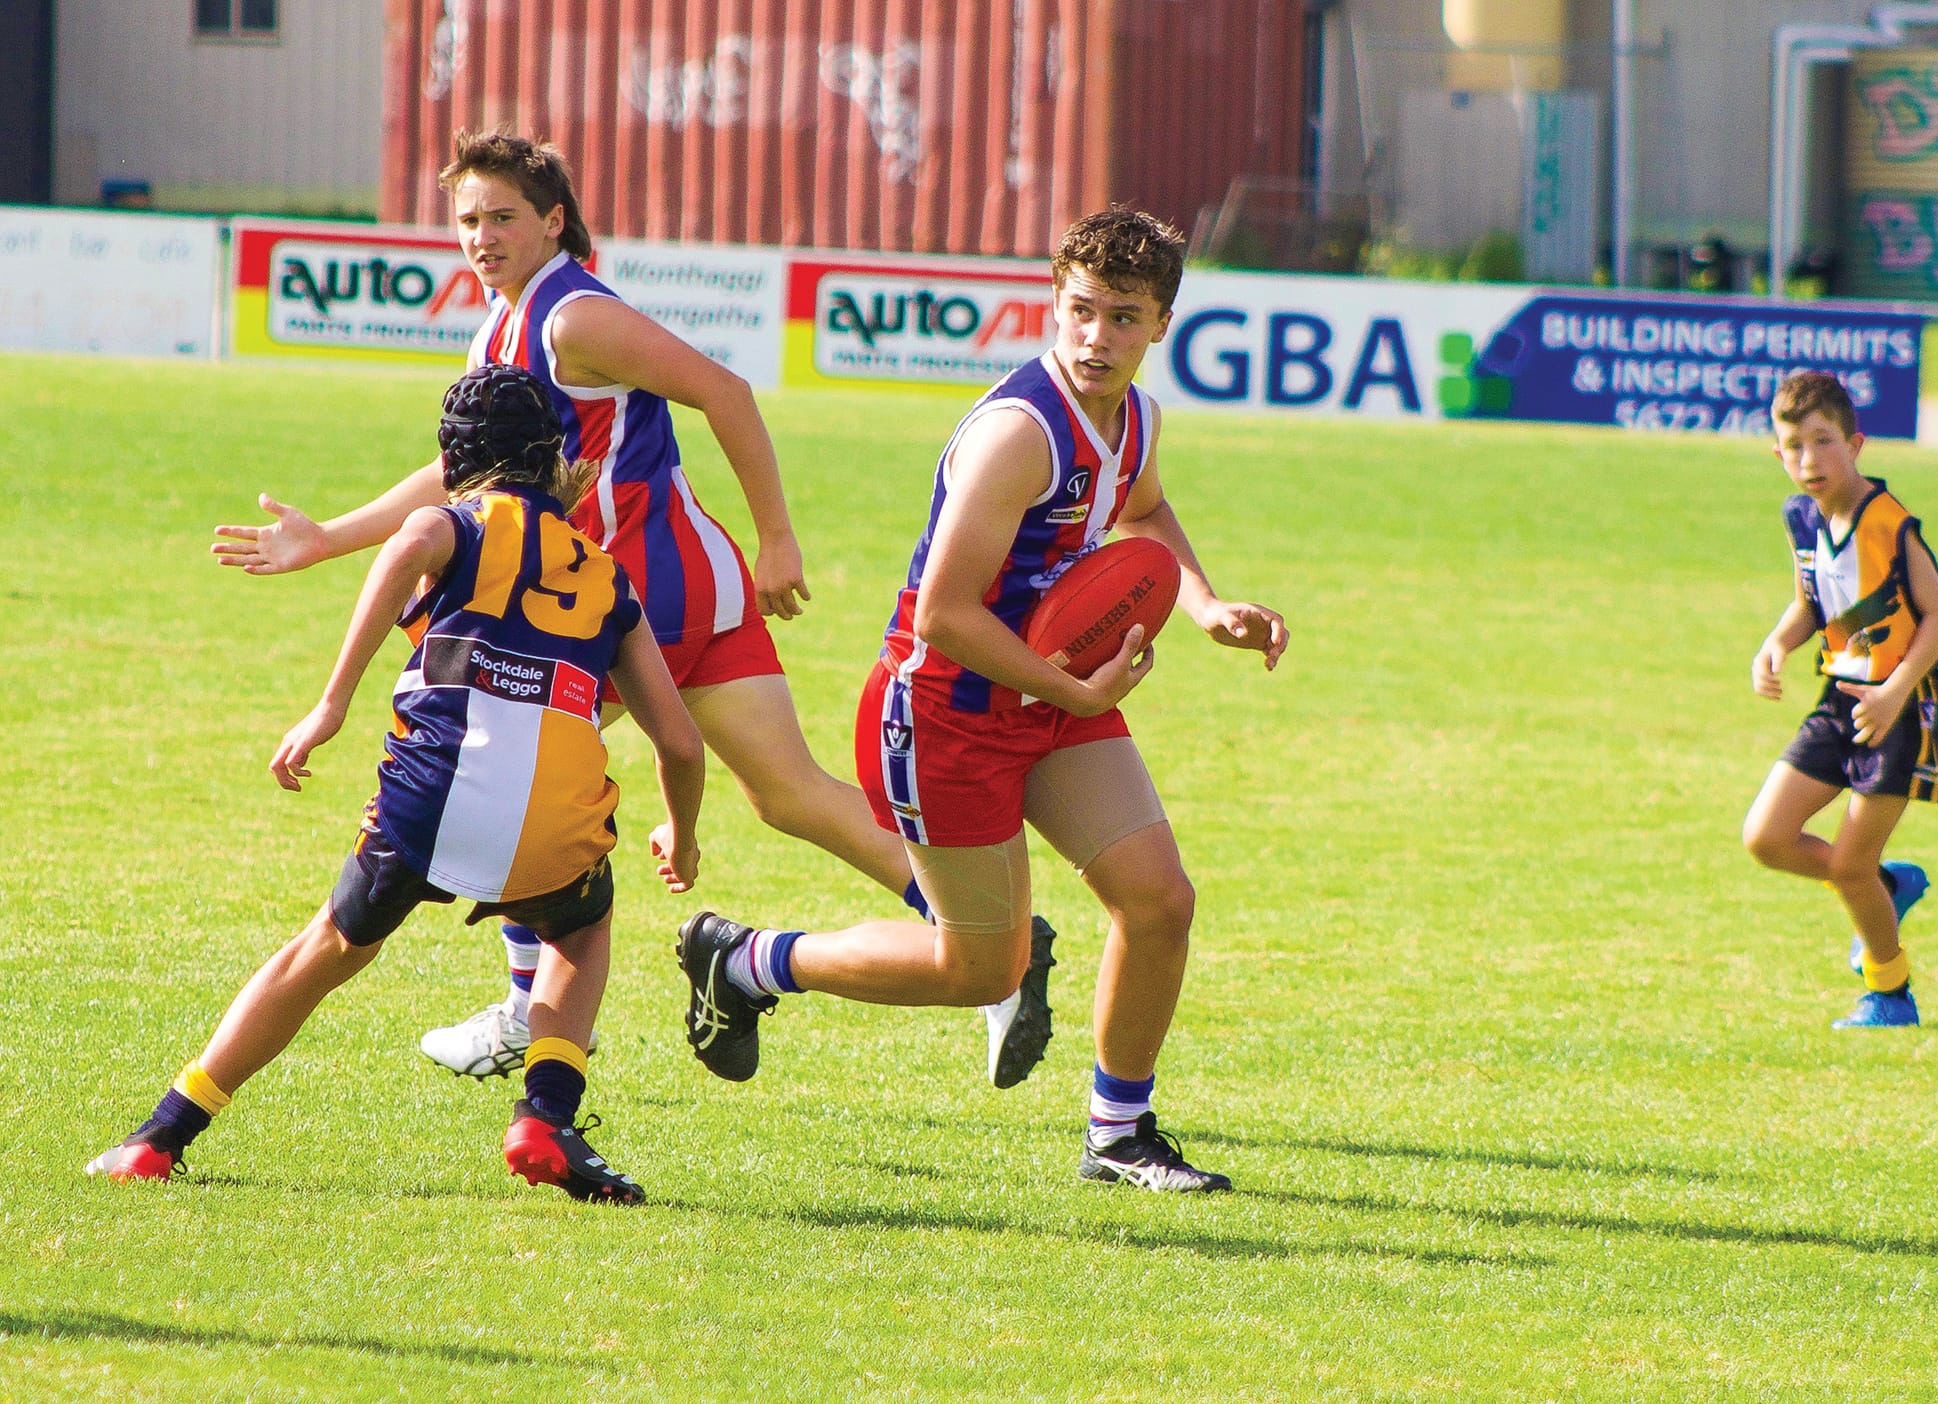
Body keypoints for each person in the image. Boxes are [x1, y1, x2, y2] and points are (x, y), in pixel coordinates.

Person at [211, 129, 1054, 1089]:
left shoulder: (572, 317)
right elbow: (466, 469)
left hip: (636, 591)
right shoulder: (513, 316)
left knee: (519, 758)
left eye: (502, 217)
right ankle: (994, 945)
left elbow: (724, 391)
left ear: (553, 221)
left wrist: (781, 536)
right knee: (788, 793)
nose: (481, 237)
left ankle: (532, 1012)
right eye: (466, 220)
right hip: (694, 583)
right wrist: (329, 537)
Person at [674, 208, 1287, 1193]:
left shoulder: (1134, 419)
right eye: (1081, 311)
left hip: (1046, 694)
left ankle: (1118, 1134)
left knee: (1158, 901)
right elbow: (944, 617)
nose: (1096, 338)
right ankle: (744, 962)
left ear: (1160, 325)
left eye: (1123, 318)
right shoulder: (1017, 433)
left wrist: (1204, 604)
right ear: (1054, 301)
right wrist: (1069, 687)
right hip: (944, 713)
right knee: (981, 971)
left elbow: (1140, 506)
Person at [87, 365, 705, 1201]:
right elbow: (682, 742)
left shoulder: (454, 522)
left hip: (431, 793)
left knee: (329, 949)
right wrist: (684, 830)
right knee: (580, 935)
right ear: (551, 461)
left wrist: (330, 703)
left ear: (456, 463)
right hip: (556, 819)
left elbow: (411, 542)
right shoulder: (605, 575)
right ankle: (545, 1118)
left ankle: (163, 1134)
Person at [1742, 370, 1938, 1029]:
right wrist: (1776, 642)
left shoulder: (1890, 524)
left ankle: (1891, 993)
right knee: (1767, 839)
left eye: (1823, 441)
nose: (1809, 460)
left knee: (1849, 865)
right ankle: (1885, 889)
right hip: (1841, 696)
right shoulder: (1799, 516)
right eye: (1794, 446)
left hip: (1900, 705)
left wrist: (1892, 694)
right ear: (1778, 455)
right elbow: (1813, 600)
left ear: (1855, 444)